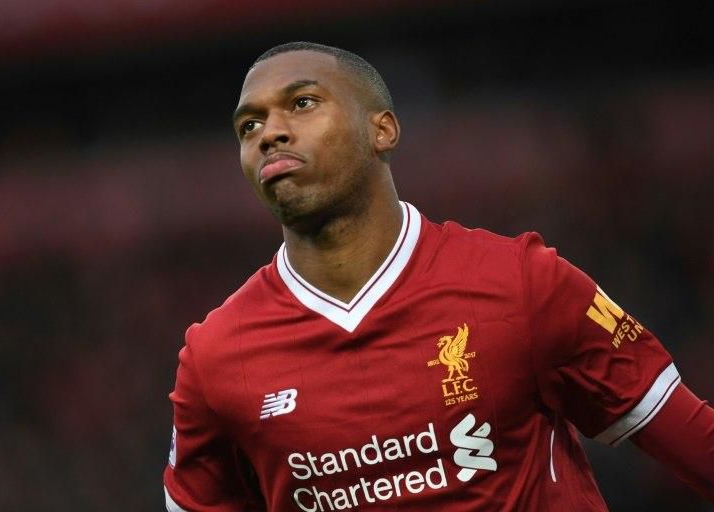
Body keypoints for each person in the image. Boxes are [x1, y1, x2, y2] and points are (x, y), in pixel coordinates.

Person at [163, 42, 713, 511]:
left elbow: (692, 443)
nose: (270, 134)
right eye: (249, 124)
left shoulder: (521, 284)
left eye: (302, 103)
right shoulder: (216, 359)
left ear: (382, 130)